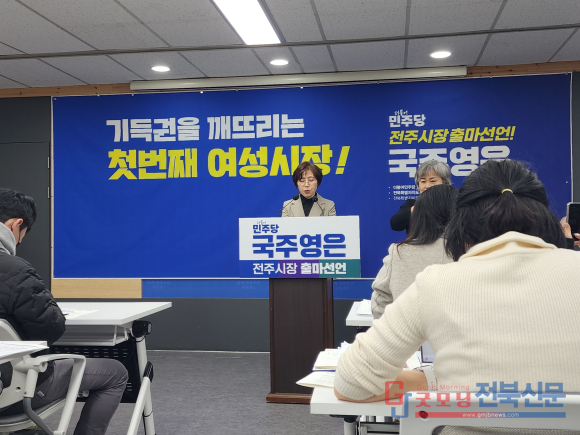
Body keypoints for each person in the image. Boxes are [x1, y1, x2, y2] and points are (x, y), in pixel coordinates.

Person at [335, 160, 580, 415]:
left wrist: (431, 379)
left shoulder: (435, 283)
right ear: (545, 216)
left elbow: (350, 383)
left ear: (461, 223)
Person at [0, 188, 128, 435]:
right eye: (22, 235)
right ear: (16, 225)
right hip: (14, 393)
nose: (19, 242)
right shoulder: (14, 270)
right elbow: (49, 329)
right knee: (116, 373)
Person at [371, 184, 456, 319]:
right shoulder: (470, 251)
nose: (427, 185)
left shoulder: (398, 252)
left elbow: (380, 300)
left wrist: (395, 327)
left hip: (404, 329)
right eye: (423, 180)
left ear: (418, 216)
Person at [390, 160, 451, 233]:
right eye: (423, 181)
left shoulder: (453, 203)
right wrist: (418, 207)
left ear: (445, 183)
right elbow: (395, 224)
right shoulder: (412, 204)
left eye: (433, 181)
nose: (427, 186)